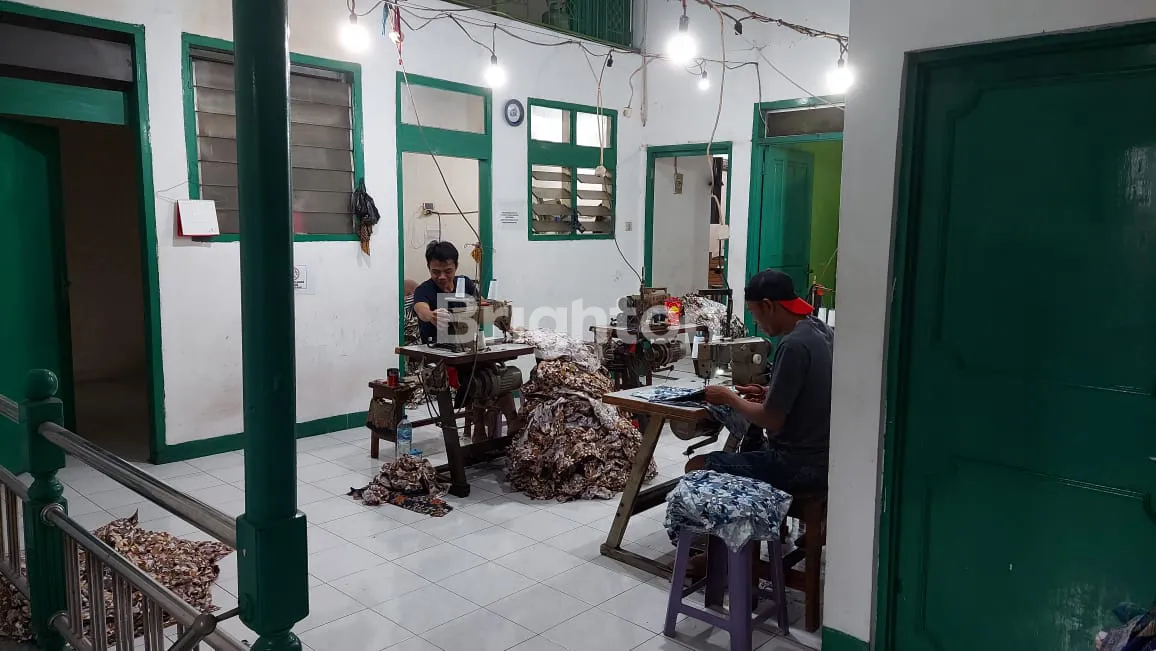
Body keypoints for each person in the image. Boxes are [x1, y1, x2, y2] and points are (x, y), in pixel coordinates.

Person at [686, 268, 833, 494]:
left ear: (768, 306)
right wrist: (769, 391)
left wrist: (729, 397)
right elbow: (809, 389)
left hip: (795, 465)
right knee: (750, 448)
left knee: (696, 466)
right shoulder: (821, 330)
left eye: (753, 313)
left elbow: (771, 420)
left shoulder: (793, 345)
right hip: (823, 457)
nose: (756, 321)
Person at [411, 241, 480, 344]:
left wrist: (499, 312)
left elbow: (482, 303)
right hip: (435, 350)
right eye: (436, 272)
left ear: (456, 266)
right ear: (428, 267)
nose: (442, 277)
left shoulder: (465, 283)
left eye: (448, 271)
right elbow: (421, 310)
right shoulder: (423, 290)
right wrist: (432, 316)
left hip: (466, 345)